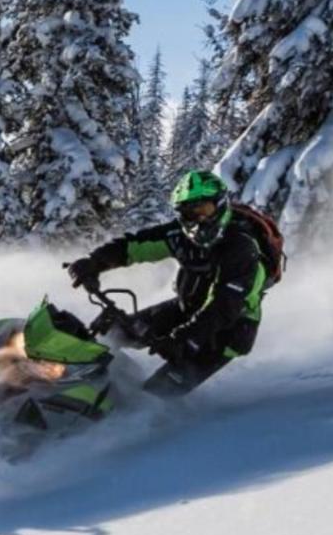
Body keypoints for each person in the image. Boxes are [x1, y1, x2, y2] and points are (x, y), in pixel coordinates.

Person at [67, 170, 269, 396]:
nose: (197, 218)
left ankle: (129, 422)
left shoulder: (241, 247)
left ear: (220, 206)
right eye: (189, 212)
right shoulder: (179, 236)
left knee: (155, 394)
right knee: (109, 333)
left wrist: (186, 339)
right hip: (186, 307)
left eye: (203, 209)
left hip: (228, 329)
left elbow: (226, 305)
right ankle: (70, 382)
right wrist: (94, 263)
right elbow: (135, 246)